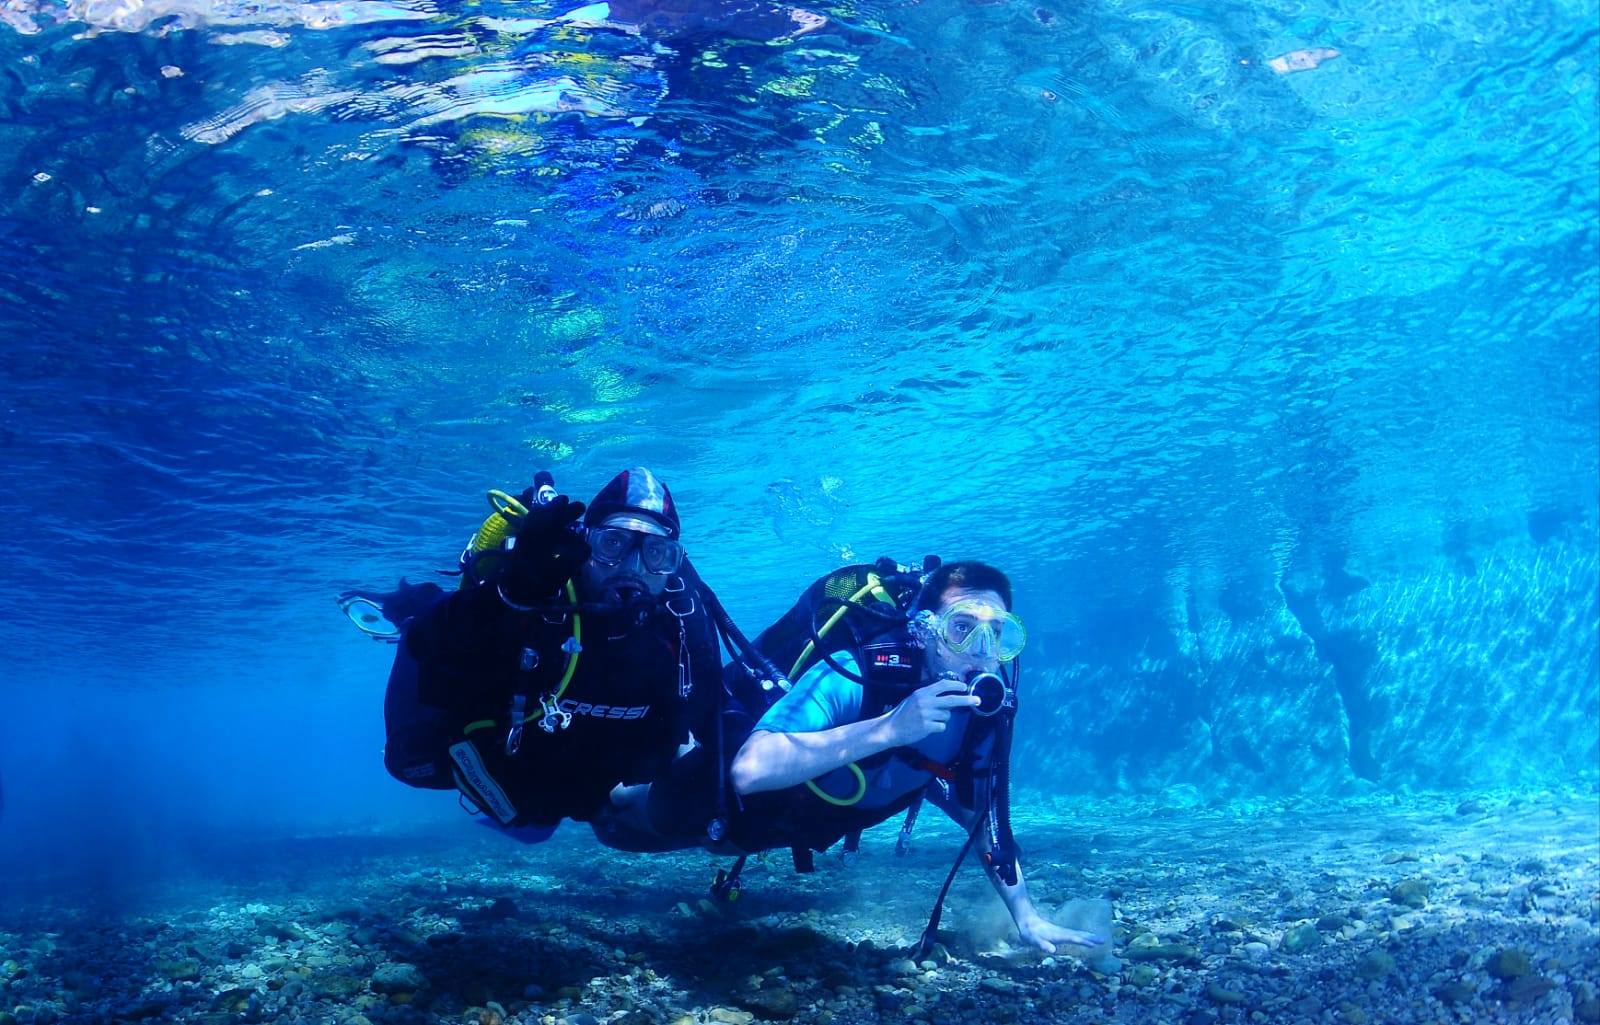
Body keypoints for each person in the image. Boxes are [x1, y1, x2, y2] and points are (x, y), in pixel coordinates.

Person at [593, 559, 1101, 955]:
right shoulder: (854, 673)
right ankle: (616, 781)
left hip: (804, 823)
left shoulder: (984, 717)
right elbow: (749, 770)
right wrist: (889, 727)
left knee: (700, 843)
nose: (981, 651)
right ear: (923, 631)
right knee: (622, 824)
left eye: (1000, 635)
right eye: (962, 628)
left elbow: (985, 818)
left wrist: (1026, 916)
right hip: (728, 804)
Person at [362, 467, 724, 835]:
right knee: (410, 759)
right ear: (585, 546)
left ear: (673, 563)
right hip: (510, 768)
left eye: (656, 553)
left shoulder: (682, 628)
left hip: (574, 780)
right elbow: (431, 650)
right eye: (612, 544)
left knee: (540, 825)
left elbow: (709, 721)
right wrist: (507, 597)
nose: (633, 570)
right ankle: (412, 603)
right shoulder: (539, 595)